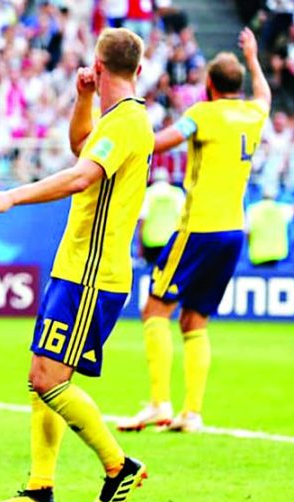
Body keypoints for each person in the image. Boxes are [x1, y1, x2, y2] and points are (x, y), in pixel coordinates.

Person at [0, 27, 152, 502]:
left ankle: (119, 468)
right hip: (76, 267)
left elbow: (79, 176)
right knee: (40, 373)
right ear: (140, 67)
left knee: (48, 377)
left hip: (93, 273)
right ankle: (40, 488)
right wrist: (83, 99)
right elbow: (80, 148)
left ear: (98, 61)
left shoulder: (129, 123)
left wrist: (10, 195)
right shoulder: (116, 119)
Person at [118, 28, 270, 434]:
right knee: (194, 320)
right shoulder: (254, 114)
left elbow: (162, 141)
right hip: (233, 232)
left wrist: (128, 135)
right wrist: (253, 58)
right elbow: (265, 95)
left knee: (154, 309)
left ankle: (158, 403)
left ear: (209, 85)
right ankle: (192, 413)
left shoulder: (202, 114)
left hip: (198, 228)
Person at [246, 190, 294, 268]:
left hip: (258, 253)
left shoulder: (252, 210)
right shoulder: (280, 209)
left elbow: (247, 231)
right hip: (276, 252)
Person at [138, 168, 185, 265]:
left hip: (150, 241)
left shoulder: (148, 193)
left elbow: (142, 221)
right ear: (168, 180)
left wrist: (140, 246)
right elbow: (183, 219)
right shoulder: (177, 193)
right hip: (171, 240)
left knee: (151, 273)